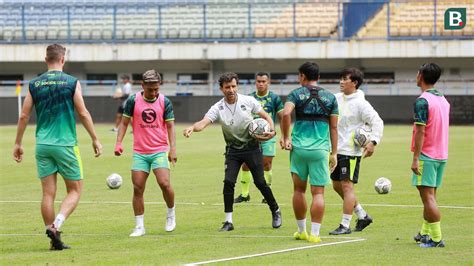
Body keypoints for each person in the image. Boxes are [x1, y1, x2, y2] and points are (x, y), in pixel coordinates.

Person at [13, 44, 102, 250]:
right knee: (75, 190)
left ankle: (54, 240)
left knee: (48, 194)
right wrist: (95, 138)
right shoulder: (71, 82)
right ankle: (56, 225)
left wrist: (18, 142)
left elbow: (24, 115)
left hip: (42, 145)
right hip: (65, 144)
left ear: (46, 60)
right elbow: (83, 112)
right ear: (63, 59)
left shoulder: (34, 84)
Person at [183, 72, 282, 232]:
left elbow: (265, 116)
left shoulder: (248, 101)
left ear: (237, 86)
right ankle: (228, 221)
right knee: (228, 183)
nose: (231, 90)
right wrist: (192, 128)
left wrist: (271, 130)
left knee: (260, 182)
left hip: (252, 149)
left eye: (233, 86)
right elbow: (203, 123)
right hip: (233, 151)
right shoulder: (218, 107)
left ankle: (275, 210)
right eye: (227, 87)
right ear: (221, 89)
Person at [114, 69, 177, 237]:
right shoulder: (133, 100)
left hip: (159, 150)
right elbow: (124, 123)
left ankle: (171, 214)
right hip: (140, 152)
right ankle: (139, 227)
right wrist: (118, 143)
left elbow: (170, 127)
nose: (154, 92)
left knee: (164, 183)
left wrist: (173, 149)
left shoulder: (165, 102)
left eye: (157, 89)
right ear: (142, 86)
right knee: (138, 188)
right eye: (151, 89)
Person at [280, 62, 338, 243]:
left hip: (299, 149)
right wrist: (334, 153)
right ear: (318, 77)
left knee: (298, 190)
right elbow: (334, 127)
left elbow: (285, 114)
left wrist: (286, 137)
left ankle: (301, 231)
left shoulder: (295, 94)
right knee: (318, 193)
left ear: (302, 76)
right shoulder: (330, 97)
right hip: (320, 150)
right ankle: (315, 234)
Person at [329, 68, 384, 235]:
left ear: (354, 83)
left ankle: (345, 225)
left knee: (347, 187)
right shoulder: (336, 99)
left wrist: (373, 142)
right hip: (336, 151)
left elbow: (377, 122)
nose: (341, 81)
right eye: (341, 78)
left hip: (351, 152)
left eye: (345, 79)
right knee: (336, 185)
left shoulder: (361, 103)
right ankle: (362, 215)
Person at [411, 63, 449, 248]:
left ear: (421, 76)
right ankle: (425, 233)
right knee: (431, 196)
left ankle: (436, 238)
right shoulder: (443, 99)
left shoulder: (422, 101)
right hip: (441, 154)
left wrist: (416, 158)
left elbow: (420, 131)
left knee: (428, 198)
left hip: (427, 154)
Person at [234, 72, 284, 204]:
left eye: (263, 81)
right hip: (250, 137)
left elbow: (282, 117)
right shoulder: (249, 98)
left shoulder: (274, 98)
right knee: (245, 165)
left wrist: (284, 136)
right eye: (258, 81)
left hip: (268, 136)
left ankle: (267, 196)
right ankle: (245, 195)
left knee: (266, 164)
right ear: (255, 82)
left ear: (268, 82)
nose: (261, 84)